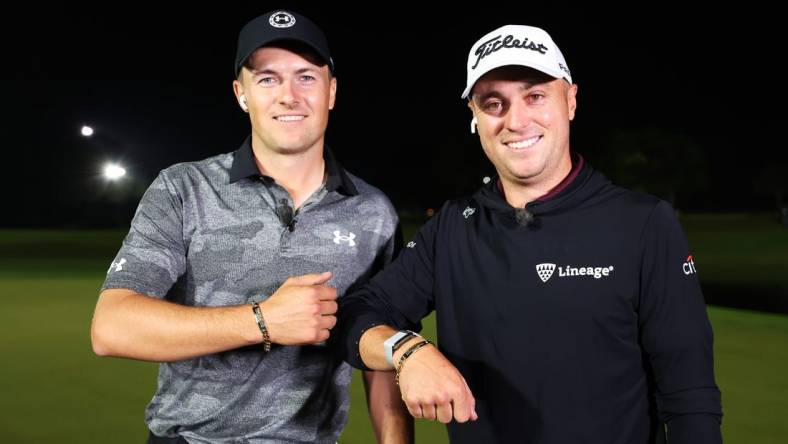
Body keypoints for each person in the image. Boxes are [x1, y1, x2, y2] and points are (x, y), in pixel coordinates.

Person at [337, 24, 722, 443]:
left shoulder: (645, 223)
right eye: (494, 103)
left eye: (535, 95)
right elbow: (358, 316)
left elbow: (690, 398)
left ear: (570, 100)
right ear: (475, 117)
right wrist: (407, 352)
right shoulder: (453, 227)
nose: (516, 121)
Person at [90, 10, 411, 444]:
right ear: (242, 94)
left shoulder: (374, 213)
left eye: (306, 77)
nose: (289, 96)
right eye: (268, 79)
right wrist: (262, 321)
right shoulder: (184, 187)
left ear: (331, 91)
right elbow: (111, 328)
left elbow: (380, 357)